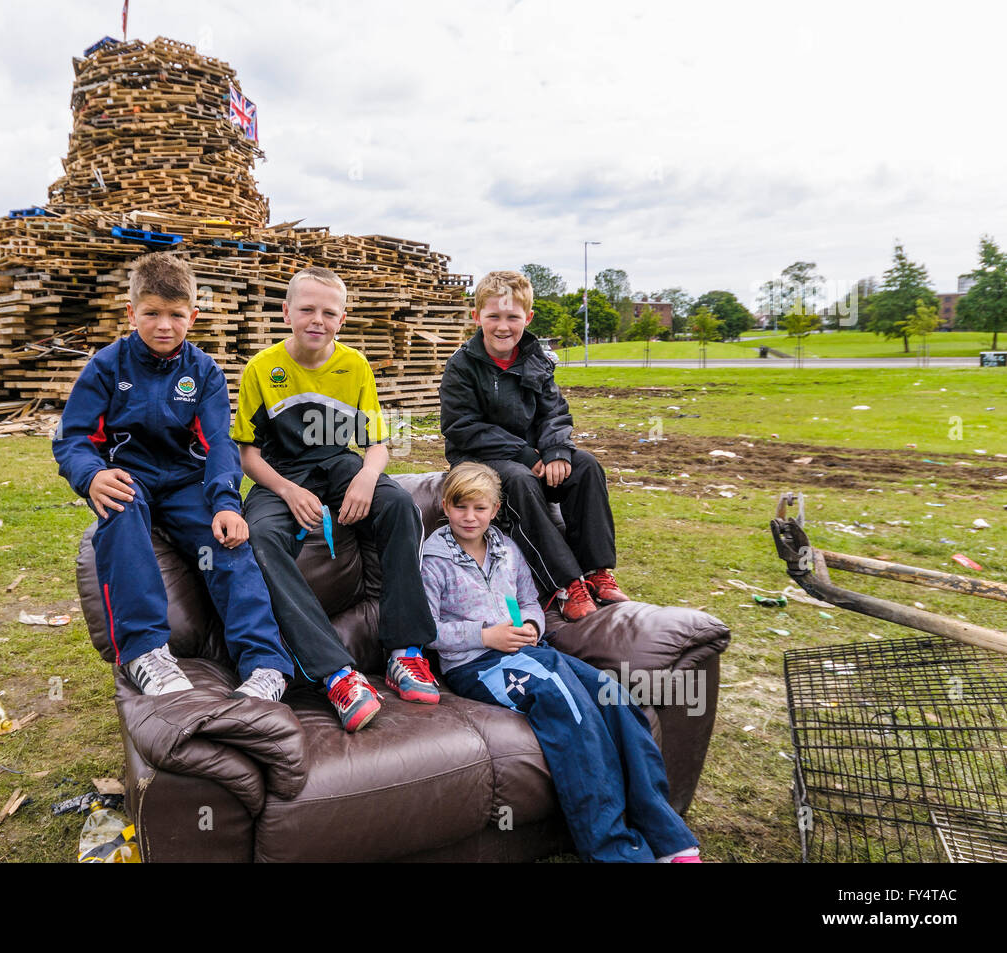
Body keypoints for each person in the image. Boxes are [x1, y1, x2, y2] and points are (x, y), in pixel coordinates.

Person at [421, 462, 701, 863]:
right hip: (477, 665)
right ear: (446, 506)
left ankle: (667, 834)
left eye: (479, 508)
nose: (470, 517)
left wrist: (532, 624)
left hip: (528, 652)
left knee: (615, 696)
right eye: (461, 507)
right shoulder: (433, 559)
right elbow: (426, 628)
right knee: (568, 706)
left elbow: (529, 600)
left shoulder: (506, 548)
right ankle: (615, 852)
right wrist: (486, 636)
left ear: (495, 509)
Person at [52, 252, 294, 701]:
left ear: (193, 316)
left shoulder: (204, 373)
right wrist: (91, 477)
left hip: (187, 481)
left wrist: (225, 503)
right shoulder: (106, 367)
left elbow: (220, 442)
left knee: (228, 540)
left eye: (176, 315)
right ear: (131, 313)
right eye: (152, 314)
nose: (164, 325)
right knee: (120, 512)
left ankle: (265, 665)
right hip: (128, 474)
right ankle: (146, 651)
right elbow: (73, 437)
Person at [233, 266, 439, 732]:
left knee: (399, 505)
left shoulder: (355, 365)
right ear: (286, 312)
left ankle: (405, 652)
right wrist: (286, 490)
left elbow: (377, 443)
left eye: (328, 312)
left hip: (340, 463)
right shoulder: (262, 369)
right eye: (306, 309)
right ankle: (337, 673)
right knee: (261, 536)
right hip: (279, 472)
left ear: (342, 319)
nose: (316, 320)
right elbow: (247, 453)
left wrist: (368, 474)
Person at [439, 269, 628, 621]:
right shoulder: (461, 366)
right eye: (493, 316)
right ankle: (565, 584)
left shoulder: (537, 360)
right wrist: (527, 455)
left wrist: (557, 451)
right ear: (477, 316)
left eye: (512, 317)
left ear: (528, 317)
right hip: (478, 460)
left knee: (585, 465)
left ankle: (597, 570)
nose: (502, 326)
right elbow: (461, 427)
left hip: (535, 455)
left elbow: (554, 412)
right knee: (519, 479)